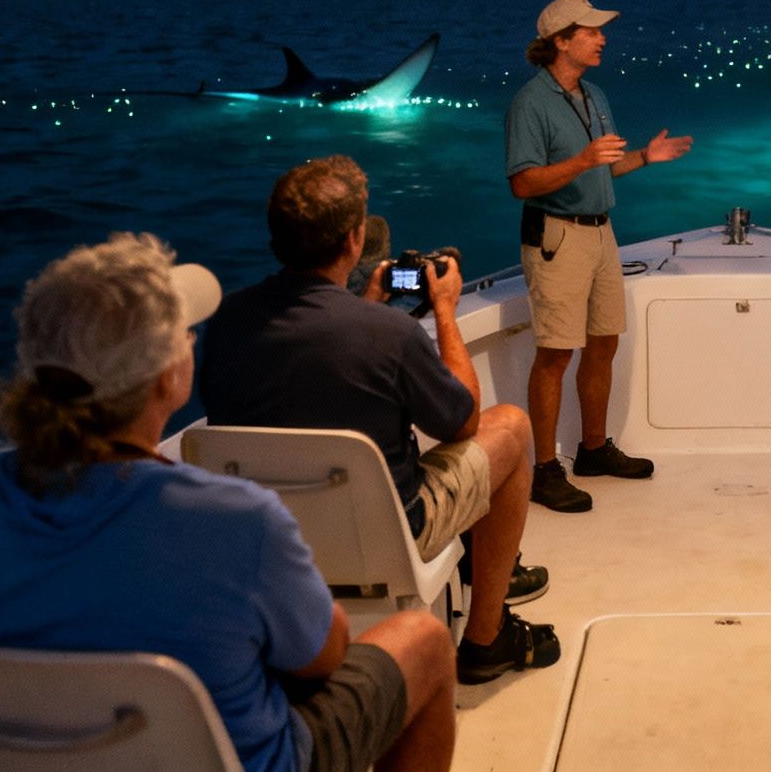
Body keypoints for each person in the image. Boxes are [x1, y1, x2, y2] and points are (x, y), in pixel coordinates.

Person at [0, 233, 456, 772]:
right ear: (164, 379)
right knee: (425, 642)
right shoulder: (236, 519)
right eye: (183, 334)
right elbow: (324, 657)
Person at [199, 156, 558, 685]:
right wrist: (444, 310)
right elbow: (461, 421)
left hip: (266, 536)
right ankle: (487, 637)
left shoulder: (228, 322)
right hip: (385, 534)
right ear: (352, 241)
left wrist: (366, 302)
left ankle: (471, 573)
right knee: (508, 427)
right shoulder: (387, 334)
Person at [505, 0, 693, 512]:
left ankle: (592, 450)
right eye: (590, 31)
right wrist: (583, 160)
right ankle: (545, 470)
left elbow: (605, 168)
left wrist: (645, 158)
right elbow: (523, 182)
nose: (602, 37)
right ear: (560, 42)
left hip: (602, 233)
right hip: (557, 237)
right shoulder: (530, 103)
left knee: (603, 343)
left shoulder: (594, 95)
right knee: (555, 354)